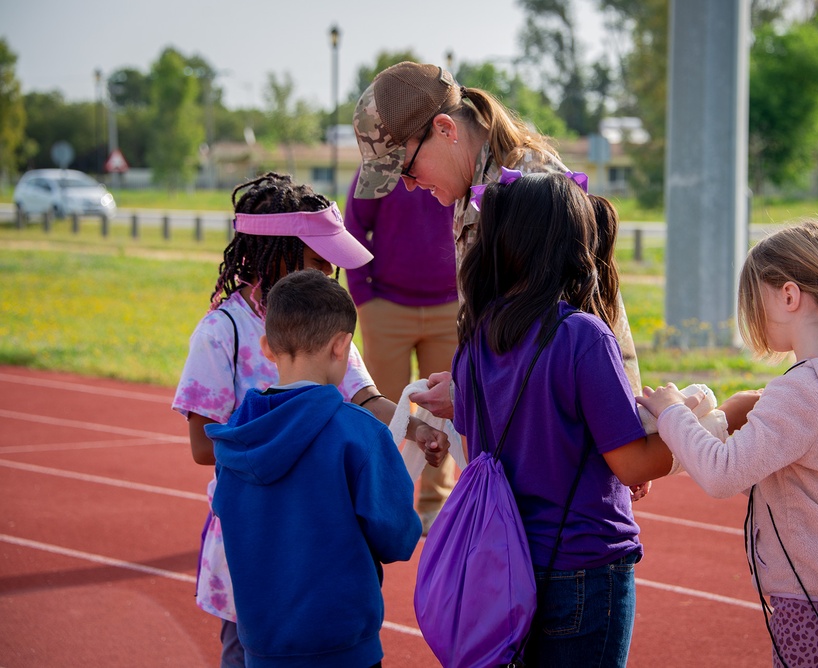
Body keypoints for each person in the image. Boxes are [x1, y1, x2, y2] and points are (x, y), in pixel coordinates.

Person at [171, 172, 444, 667]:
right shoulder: (221, 332)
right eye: (318, 261)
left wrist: (416, 426)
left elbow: (366, 399)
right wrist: (302, 439)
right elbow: (201, 445)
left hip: (318, 539)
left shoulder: (319, 320)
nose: (327, 274)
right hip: (253, 549)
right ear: (274, 251)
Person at [450, 171, 702, 666]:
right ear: (571, 244)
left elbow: (474, 441)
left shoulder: (476, 335)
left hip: (506, 563)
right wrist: (683, 418)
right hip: (585, 566)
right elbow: (631, 466)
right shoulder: (582, 335)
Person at [637, 219, 818, 668]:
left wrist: (672, 413)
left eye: (754, 301)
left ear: (788, 296)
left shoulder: (799, 390)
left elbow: (723, 476)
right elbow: (780, 480)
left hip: (808, 603)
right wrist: (720, 426)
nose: (753, 316)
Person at [351, 60, 643, 421]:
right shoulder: (469, 189)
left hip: (556, 430)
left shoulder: (528, 185)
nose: (409, 185)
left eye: (407, 170)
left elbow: (561, 340)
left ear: (444, 129)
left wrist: (467, 395)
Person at [207, 268, 422, 667]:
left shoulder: (233, 438)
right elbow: (399, 539)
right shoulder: (360, 434)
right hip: (343, 648)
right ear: (342, 346)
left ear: (268, 347)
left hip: (262, 647)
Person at [344, 166, 458, 534]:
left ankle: (435, 507)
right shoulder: (378, 166)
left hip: (450, 306)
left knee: (445, 412)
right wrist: (364, 296)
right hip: (386, 306)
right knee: (383, 412)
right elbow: (354, 225)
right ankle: (382, 504)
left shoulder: (456, 159)